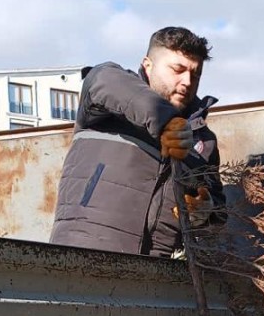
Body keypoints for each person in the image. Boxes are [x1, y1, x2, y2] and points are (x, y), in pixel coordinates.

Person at [49, 26, 225, 256]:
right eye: (177, 69)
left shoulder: (203, 140)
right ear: (147, 65)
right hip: (83, 255)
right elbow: (101, 78)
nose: (187, 81)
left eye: (196, 73)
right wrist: (165, 121)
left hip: (154, 271)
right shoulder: (111, 99)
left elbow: (218, 217)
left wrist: (205, 210)